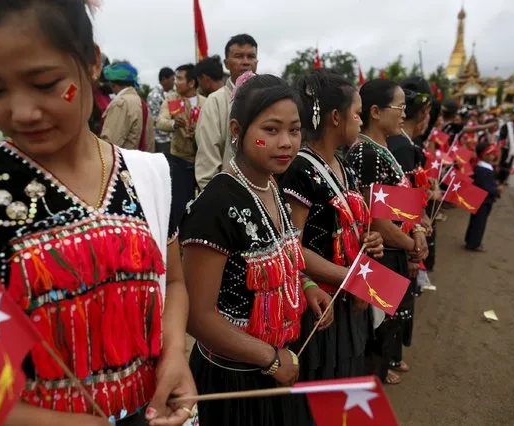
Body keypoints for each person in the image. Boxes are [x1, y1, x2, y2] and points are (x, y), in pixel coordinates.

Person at [0, 1, 197, 425]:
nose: (22, 112)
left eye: (46, 84)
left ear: (91, 63)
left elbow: (173, 282)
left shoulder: (152, 176)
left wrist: (175, 352)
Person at [181, 74, 310, 426]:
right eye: (270, 130)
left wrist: (309, 288)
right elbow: (198, 316)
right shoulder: (215, 206)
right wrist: (268, 357)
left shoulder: (271, 186)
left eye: (294, 130)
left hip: (276, 364)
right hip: (233, 377)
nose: (285, 142)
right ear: (237, 129)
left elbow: (286, 254)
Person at [281, 70, 384, 389]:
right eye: (357, 114)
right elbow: (291, 246)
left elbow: (349, 226)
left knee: (347, 375)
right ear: (336, 117)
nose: (360, 122)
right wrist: (352, 278)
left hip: (350, 294)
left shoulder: (345, 165)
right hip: (320, 303)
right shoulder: (299, 168)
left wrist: (371, 241)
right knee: (321, 386)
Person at [346, 79, 428, 385]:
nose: (405, 114)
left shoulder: (383, 149)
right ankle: (370, 385)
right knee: (374, 327)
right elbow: (376, 220)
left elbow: (398, 207)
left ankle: (377, 375)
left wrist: (417, 230)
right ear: (376, 112)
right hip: (381, 254)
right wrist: (411, 244)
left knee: (386, 323)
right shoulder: (366, 154)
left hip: (396, 249)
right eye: (400, 107)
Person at [386, 76, 435, 295]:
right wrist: (411, 248)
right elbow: (395, 208)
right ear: (425, 110)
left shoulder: (398, 142)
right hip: (395, 247)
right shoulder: (402, 147)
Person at [194, 34, 258, 190]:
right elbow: (208, 160)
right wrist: (214, 197)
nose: (245, 62)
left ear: (257, 62)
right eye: (238, 56)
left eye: (250, 56)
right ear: (226, 63)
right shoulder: (215, 102)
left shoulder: (270, 98)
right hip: (229, 194)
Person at [156, 64, 206, 228]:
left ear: (191, 83)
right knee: (178, 205)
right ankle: (178, 242)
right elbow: (160, 122)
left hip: (201, 161)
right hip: (178, 160)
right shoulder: (171, 100)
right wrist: (174, 124)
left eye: (179, 78)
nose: (175, 82)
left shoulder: (205, 103)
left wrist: (199, 130)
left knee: (202, 204)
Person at [101, 61, 155, 152]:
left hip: (123, 163)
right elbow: (149, 143)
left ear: (112, 83)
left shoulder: (120, 103)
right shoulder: (141, 103)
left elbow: (109, 145)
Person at [465, 142, 501, 251]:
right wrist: (496, 190)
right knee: (479, 223)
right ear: (484, 155)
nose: (494, 156)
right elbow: (485, 186)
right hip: (483, 201)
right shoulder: (482, 169)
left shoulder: (484, 167)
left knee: (476, 221)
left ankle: (470, 240)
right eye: (492, 154)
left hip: (483, 200)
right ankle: (474, 244)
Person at [148, 67, 176, 154]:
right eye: (172, 79)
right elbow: (156, 120)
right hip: (160, 139)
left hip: (167, 138)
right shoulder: (155, 96)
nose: (174, 82)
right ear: (164, 79)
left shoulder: (166, 93)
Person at [88, 52, 112, 136]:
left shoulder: (105, 94)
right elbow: (65, 101)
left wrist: (99, 84)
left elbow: (110, 86)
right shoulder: (74, 86)